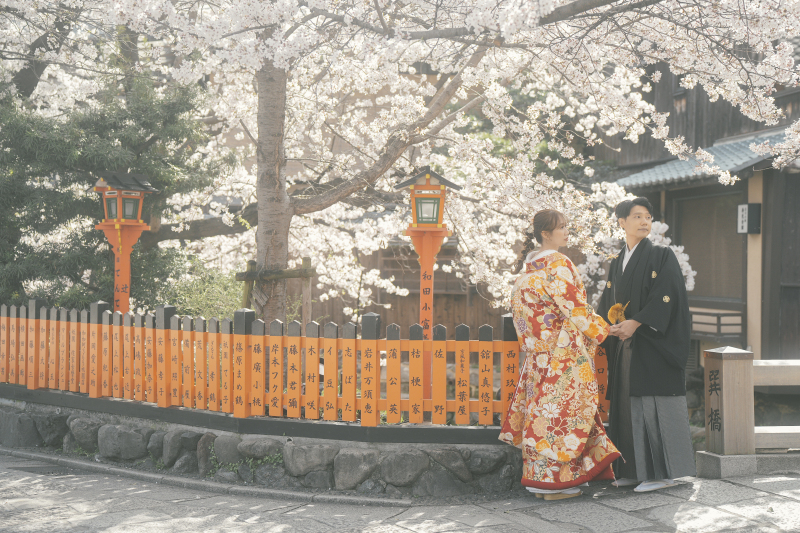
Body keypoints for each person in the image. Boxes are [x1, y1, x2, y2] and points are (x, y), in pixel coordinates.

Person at [499, 209, 621, 501]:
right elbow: (576, 309)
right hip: (561, 356)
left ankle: (538, 479)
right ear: (545, 233)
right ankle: (557, 483)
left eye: (567, 226)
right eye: (561, 227)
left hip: (537, 359)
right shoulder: (558, 264)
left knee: (540, 415)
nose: (567, 231)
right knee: (562, 417)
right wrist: (604, 330)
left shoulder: (527, 272)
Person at [597, 198, 696, 493]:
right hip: (626, 346)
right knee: (627, 406)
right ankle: (632, 469)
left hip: (653, 345)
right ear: (621, 223)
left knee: (652, 406)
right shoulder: (617, 262)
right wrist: (609, 326)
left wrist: (636, 323)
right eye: (637, 216)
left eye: (648, 217)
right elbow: (608, 302)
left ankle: (662, 473)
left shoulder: (662, 256)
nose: (644, 222)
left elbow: (667, 295)